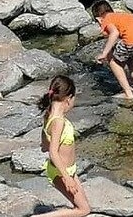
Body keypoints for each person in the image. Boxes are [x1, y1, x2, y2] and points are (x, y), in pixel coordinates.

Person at [35, 75, 90, 217]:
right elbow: (53, 152)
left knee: (83, 205)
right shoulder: (58, 121)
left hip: (69, 170)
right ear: (68, 98)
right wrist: (67, 178)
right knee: (84, 210)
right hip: (61, 173)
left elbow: (45, 143)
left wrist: (45, 143)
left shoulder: (49, 114)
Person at [91, 0, 133, 100]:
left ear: (98, 19)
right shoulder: (119, 16)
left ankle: (128, 94)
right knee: (129, 57)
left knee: (112, 60)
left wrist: (104, 53)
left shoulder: (106, 19)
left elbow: (114, 33)